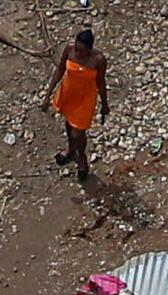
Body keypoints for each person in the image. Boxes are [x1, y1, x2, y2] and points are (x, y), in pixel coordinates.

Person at [45, 29, 109, 183]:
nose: (78, 53)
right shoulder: (69, 51)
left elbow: (101, 82)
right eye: (77, 48)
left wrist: (105, 104)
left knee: (78, 133)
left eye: (82, 51)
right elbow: (60, 70)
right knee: (68, 124)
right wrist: (48, 93)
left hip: (85, 99)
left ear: (90, 49)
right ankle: (70, 149)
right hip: (68, 94)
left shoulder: (98, 60)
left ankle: (82, 157)